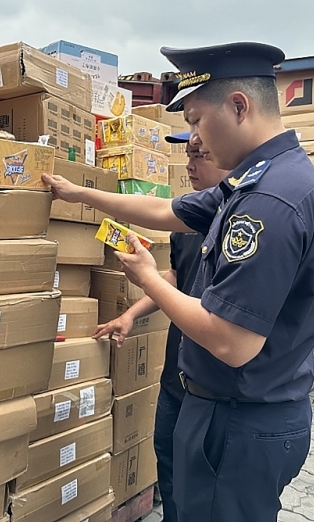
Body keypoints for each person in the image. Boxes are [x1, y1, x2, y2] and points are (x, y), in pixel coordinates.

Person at [44, 42, 314, 522]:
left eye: (197, 120)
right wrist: (79, 193)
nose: (195, 137)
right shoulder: (253, 181)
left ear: (239, 106)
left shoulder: (271, 200)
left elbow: (231, 340)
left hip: (239, 419)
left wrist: (148, 280)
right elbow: (164, 211)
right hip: (232, 411)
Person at [92, 132, 230, 522]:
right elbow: (175, 275)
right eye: (187, 155)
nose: (189, 165)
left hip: (215, 388)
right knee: (168, 468)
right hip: (177, 379)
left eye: (201, 155)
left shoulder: (242, 223)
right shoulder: (187, 221)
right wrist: (131, 314)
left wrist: (147, 279)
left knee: (205, 490)